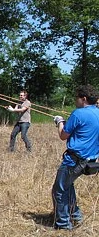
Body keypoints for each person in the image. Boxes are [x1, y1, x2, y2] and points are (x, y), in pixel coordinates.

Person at [52, 85, 99, 230]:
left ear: (83, 99)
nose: (75, 101)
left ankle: (63, 224)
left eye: (77, 98)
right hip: (90, 161)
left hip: (74, 161)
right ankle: (75, 215)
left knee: (58, 190)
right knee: (68, 186)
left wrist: (59, 122)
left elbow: (63, 135)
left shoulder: (78, 114)